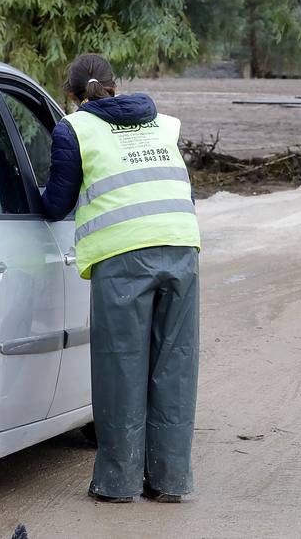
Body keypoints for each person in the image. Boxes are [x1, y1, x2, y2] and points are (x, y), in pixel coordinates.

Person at [40, 53, 201, 504]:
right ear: (116, 85)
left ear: (70, 94)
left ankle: (117, 482)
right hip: (181, 247)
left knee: (121, 366)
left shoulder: (74, 129)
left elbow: (56, 203)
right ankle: (169, 481)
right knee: (175, 365)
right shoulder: (163, 124)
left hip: (123, 256)